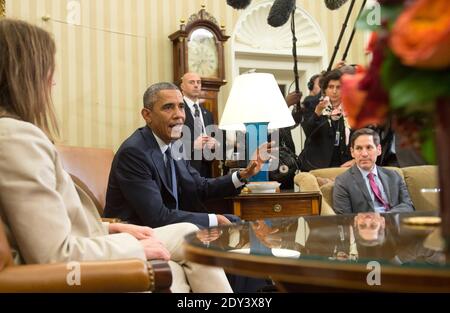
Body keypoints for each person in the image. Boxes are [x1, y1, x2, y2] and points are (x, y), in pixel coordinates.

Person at [0, 18, 232, 293]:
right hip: (73, 263)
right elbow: (55, 255)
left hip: (93, 237)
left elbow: (47, 223)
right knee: (184, 257)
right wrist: (133, 248)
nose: (53, 82)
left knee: (190, 237)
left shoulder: (17, 134)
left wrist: (110, 230)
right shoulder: (15, 138)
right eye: (47, 71)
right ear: (24, 76)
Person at [104, 82, 271, 229]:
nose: (179, 115)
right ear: (147, 115)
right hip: (140, 234)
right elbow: (156, 217)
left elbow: (199, 186)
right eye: (168, 107)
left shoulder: (175, 145)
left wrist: (243, 174)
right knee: (224, 228)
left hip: (170, 227)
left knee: (240, 223)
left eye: (181, 106)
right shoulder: (134, 153)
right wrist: (213, 219)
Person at [333, 128, 415, 214]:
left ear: (379, 150)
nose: (364, 154)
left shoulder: (394, 176)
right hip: (365, 226)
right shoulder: (343, 181)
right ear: (352, 152)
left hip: (394, 224)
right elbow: (343, 217)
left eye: (369, 147)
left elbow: (408, 206)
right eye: (359, 148)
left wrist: (385, 217)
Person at [298, 70, 353, 172]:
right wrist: (317, 113)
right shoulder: (312, 105)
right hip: (316, 166)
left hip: (344, 166)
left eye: (338, 87)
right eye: (331, 87)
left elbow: (358, 136)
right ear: (325, 89)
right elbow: (308, 131)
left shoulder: (351, 109)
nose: (334, 91)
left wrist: (355, 160)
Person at [180, 72, 218, 177]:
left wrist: (214, 144)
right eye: (192, 82)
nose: (196, 85)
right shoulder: (178, 111)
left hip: (207, 169)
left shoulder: (208, 114)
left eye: (198, 82)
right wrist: (193, 145)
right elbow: (171, 142)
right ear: (182, 86)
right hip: (186, 170)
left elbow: (213, 141)